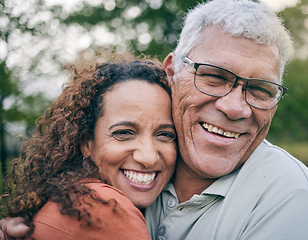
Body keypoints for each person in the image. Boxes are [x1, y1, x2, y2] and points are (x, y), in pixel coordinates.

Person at [1, 0, 308, 239]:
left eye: (261, 89)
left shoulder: (288, 197)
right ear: (172, 71)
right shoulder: (116, 186)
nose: (235, 108)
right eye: (215, 76)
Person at [0, 52, 177, 239]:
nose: (148, 157)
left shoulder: (72, 198)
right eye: (124, 133)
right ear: (86, 142)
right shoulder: (106, 210)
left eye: (165, 135)